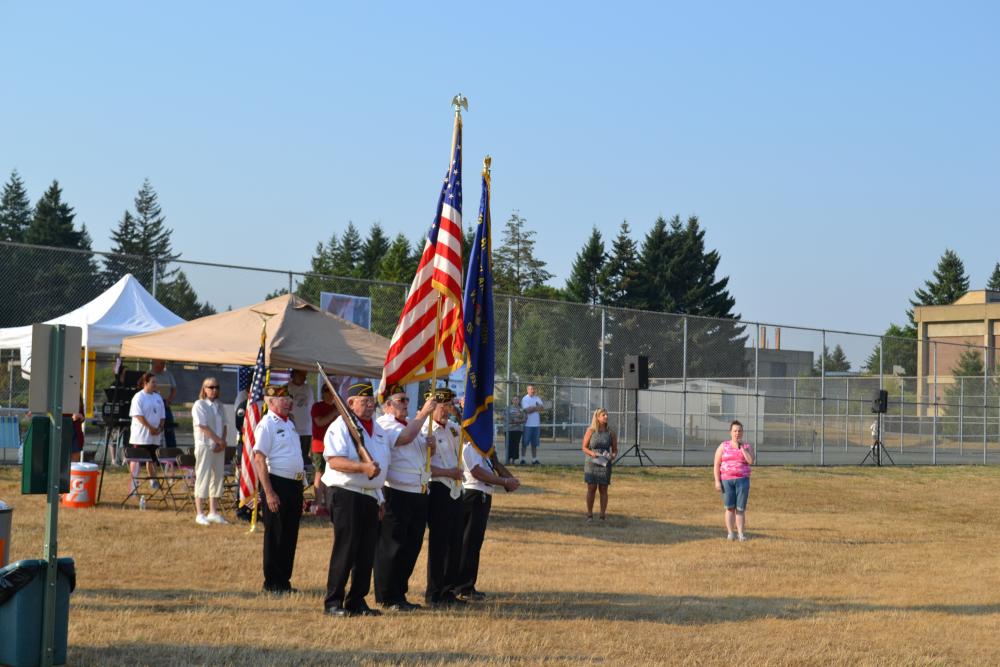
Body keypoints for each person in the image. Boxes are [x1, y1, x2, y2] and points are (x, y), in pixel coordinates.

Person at [321, 382, 389, 618]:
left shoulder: (377, 429)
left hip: (369, 496)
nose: (370, 405)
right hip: (346, 492)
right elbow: (334, 460)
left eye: (371, 401)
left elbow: (380, 466)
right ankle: (333, 601)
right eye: (364, 401)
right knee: (346, 548)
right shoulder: (340, 427)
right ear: (350, 403)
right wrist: (362, 467)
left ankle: (357, 600)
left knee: (366, 552)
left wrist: (379, 496)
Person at [373, 385, 437, 611]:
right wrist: (423, 414)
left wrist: (432, 446)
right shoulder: (385, 424)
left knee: (411, 546)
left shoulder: (412, 424)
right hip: (397, 492)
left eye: (407, 400)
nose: (405, 404)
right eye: (400, 400)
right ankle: (387, 596)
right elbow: (405, 439)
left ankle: (400, 593)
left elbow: (421, 452)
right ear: (387, 406)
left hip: (418, 492)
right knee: (392, 545)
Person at [252, 381, 305, 593]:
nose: (289, 403)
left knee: (290, 534)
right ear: (271, 402)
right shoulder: (267, 425)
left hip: (294, 484)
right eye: (284, 399)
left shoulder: (289, 423)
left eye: (290, 399)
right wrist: (269, 492)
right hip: (277, 483)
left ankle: (284, 581)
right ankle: (272, 582)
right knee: (276, 534)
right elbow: (259, 459)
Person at [453, 442, 520, 602]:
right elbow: (477, 472)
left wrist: (496, 461)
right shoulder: (470, 444)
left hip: (482, 494)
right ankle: (462, 586)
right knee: (468, 543)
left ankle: (467, 585)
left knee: (474, 543)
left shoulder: (482, 446)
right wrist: (504, 482)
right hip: (473, 494)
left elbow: (493, 466)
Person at [191, 377, 229, 526]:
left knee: (217, 477)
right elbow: (203, 427)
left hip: (219, 447)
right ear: (204, 389)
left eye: (217, 387)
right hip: (205, 446)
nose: (214, 390)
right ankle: (199, 513)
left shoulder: (220, 405)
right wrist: (219, 440)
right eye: (211, 387)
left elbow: (225, 425)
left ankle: (213, 511)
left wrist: (223, 441)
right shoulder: (199, 405)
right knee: (203, 476)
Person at [713, 420, 754, 542]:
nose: (737, 433)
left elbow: (751, 461)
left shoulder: (746, 446)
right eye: (735, 431)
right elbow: (716, 464)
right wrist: (717, 481)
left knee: (740, 509)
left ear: (742, 433)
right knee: (730, 507)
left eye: (740, 431)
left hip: (742, 480)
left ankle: (741, 534)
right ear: (730, 432)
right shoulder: (723, 446)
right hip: (727, 481)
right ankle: (730, 533)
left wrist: (742, 449)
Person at [128, 372, 165, 490]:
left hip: (154, 437)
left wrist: (159, 428)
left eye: (156, 382)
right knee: (137, 461)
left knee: (152, 460)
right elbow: (139, 416)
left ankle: (153, 482)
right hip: (141, 437)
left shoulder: (158, 397)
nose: (155, 384)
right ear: (146, 383)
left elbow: (162, 415)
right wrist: (150, 428)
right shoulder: (139, 397)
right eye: (153, 382)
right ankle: (133, 486)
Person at [582, 408, 618, 522]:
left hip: (605, 463)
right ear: (597, 417)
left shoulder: (611, 432)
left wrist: (612, 456)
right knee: (591, 488)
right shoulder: (591, 430)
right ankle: (589, 515)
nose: (606, 417)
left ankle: (602, 515)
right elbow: (584, 447)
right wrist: (592, 453)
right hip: (592, 462)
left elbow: (615, 450)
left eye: (607, 415)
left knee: (603, 489)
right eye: (603, 415)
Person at [310, 383, 339, 513]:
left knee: (330, 474)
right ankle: (317, 503)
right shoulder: (317, 406)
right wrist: (334, 413)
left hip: (334, 446)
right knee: (320, 473)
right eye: (327, 391)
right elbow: (319, 422)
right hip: (319, 445)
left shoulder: (336, 407)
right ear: (322, 393)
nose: (330, 393)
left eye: (332, 391)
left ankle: (328, 504)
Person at [287, 369, 314, 465]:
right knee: (293, 455)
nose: (304, 377)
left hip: (306, 428)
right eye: (301, 374)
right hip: (292, 428)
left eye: (305, 375)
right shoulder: (287, 388)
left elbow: (311, 406)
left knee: (304, 456)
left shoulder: (308, 388)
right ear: (294, 375)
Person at [151, 360, 177, 448]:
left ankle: (172, 453)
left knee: (169, 428)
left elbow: (174, 390)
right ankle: (154, 450)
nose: (163, 365)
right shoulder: (149, 374)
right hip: (152, 407)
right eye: (161, 363)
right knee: (154, 427)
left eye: (164, 363)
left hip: (165, 405)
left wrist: (169, 400)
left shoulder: (168, 374)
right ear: (154, 363)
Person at [520, 385, 545, 465]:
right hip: (527, 425)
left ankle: (534, 460)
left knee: (534, 444)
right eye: (531, 389)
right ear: (527, 390)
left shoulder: (537, 398)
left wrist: (533, 408)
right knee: (525, 443)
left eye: (534, 389)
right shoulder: (525, 399)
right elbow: (527, 411)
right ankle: (523, 459)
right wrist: (536, 407)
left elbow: (542, 408)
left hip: (536, 425)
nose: (533, 390)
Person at [503, 398, 525, 465]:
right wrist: (513, 420)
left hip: (518, 430)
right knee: (508, 444)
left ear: (519, 401)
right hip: (509, 429)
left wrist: (519, 420)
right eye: (514, 399)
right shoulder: (508, 408)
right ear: (512, 400)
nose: (516, 401)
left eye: (517, 399)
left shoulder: (522, 409)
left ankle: (513, 460)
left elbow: (524, 417)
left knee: (516, 445)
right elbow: (504, 416)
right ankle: (508, 460)